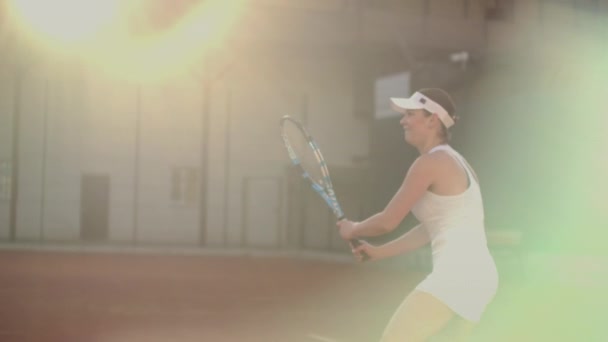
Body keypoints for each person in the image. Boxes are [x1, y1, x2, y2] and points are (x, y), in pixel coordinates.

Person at [337, 88, 498, 341]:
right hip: (480, 276)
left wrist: (353, 228)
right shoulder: (456, 162)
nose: (403, 120)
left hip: (457, 275)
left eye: (410, 114)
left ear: (432, 119)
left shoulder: (430, 163)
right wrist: (380, 252)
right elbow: (429, 228)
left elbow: (387, 221)